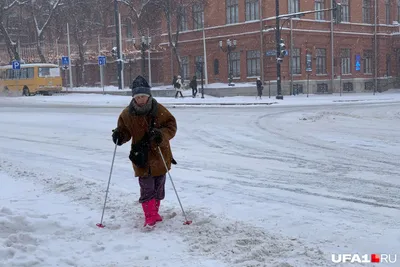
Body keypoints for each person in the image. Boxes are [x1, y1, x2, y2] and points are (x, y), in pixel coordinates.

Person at [112, 75, 177, 229]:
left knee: (159, 186)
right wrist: (119, 136)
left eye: (143, 96)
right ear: (134, 98)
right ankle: (149, 216)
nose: (141, 99)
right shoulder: (127, 114)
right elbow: (125, 131)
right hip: (141, 156)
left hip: (160, 154)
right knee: (147, 187)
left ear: (149, 96)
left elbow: (171, 127)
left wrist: (160, 135)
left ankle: (155, 211)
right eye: (138, 97)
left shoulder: (159, 110)